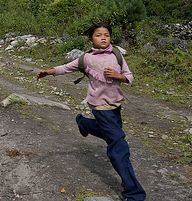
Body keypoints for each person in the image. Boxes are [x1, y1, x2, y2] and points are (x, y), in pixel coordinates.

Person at [37, 23, 146, 201]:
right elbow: (66, 67)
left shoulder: (117, 54)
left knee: (109, 133)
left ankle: (83, 123)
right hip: (100, 107)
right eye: (98, 35)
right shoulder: (86, 59)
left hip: (116, 105)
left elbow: (129, 75)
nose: (103, 38)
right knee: (119, 146)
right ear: (90, 40)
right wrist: (48, 72)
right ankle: (133, 192)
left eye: (107, 35)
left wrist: (120, 77)